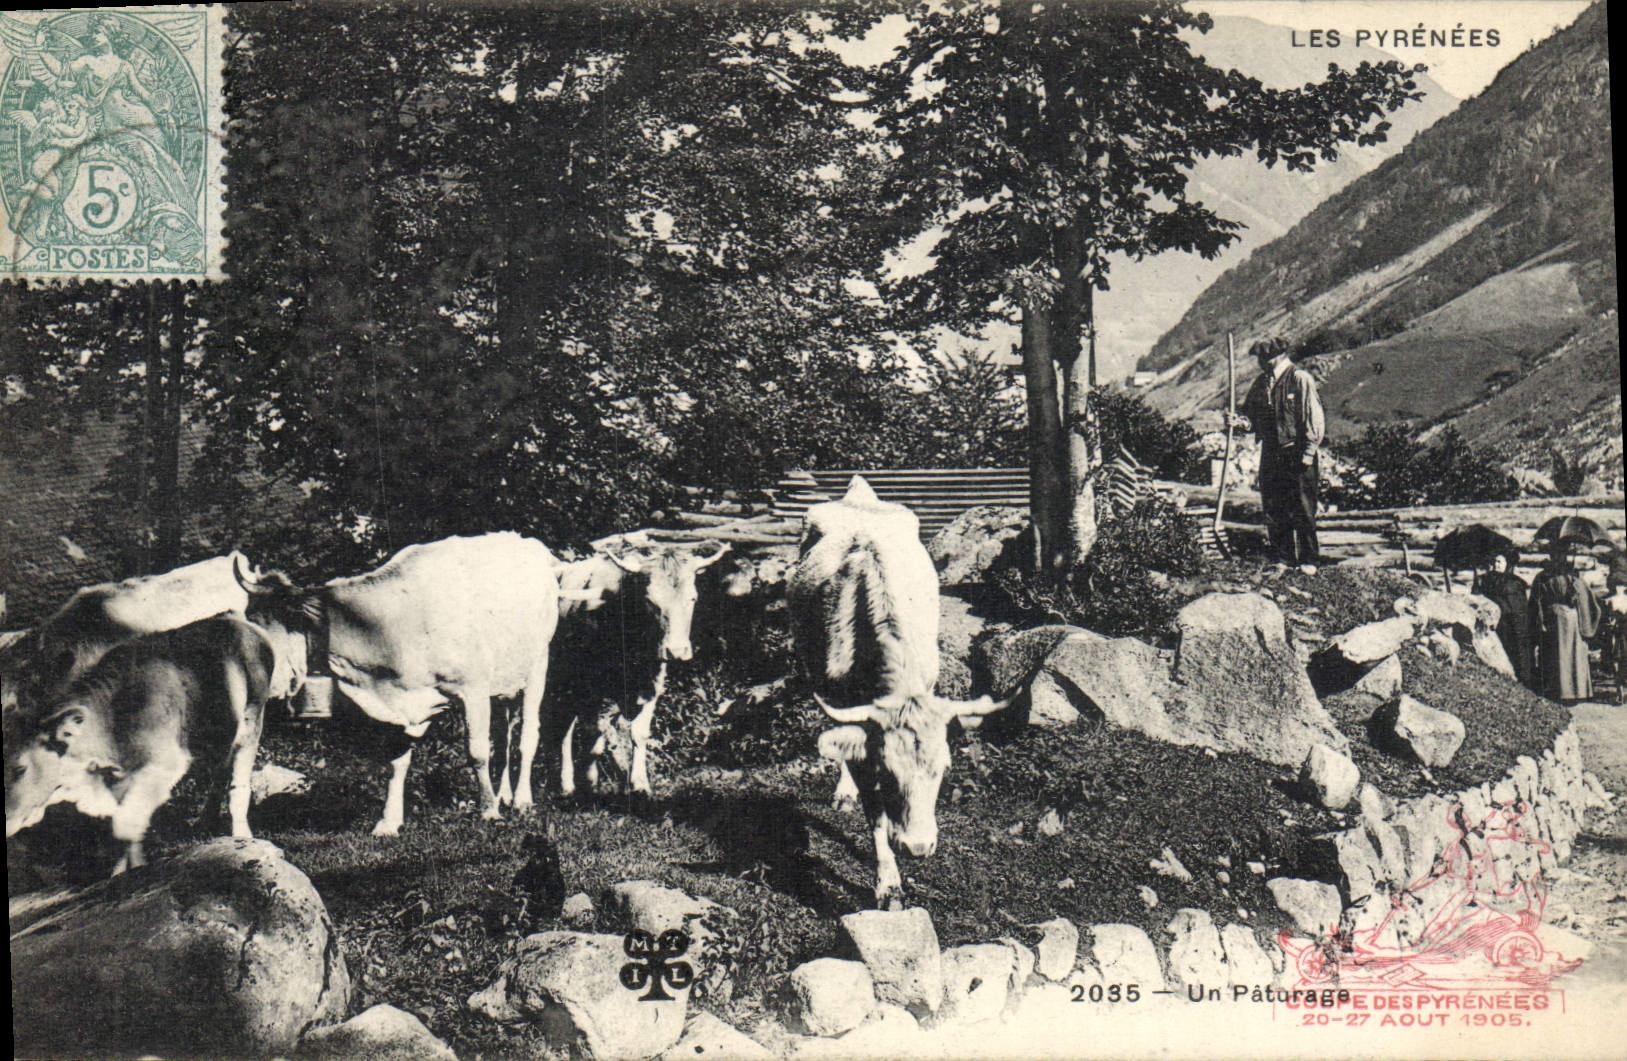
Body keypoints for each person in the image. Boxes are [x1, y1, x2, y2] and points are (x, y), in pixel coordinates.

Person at [1236, 338, 1325, 570]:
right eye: (1260, 358)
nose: (1261, 363)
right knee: (1275, 507)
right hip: (1271, 453)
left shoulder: (1299, 379)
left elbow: (1313, 418)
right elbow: (1250, 418)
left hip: (1297, 452)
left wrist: (1309, 452)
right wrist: (1239, 423)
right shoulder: (1261, 383)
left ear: (1278, 356)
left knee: (1303, 508)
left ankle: (1309, 560)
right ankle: (1283, 558)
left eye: (1265, 358)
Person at [1529, 542, 1602, 703]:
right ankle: (1574, 691)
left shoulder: (1547, 577)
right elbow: (1588, 601)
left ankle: (1559, 691)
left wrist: (1540, 620)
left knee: (1559, 654)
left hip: (1555, 619)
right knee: (1568, 654)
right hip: (1567, 620)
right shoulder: (1571, 577)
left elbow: (1536, 601)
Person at [1475, 549, 1533, 687]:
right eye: (1495, 561)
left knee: (1517, 650)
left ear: (1507, 564)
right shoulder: (1486, 579)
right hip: (1497, 622)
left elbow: (1520, 606)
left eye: (1500, 562)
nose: (1497, 564)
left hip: (1514, 622)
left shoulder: (1515, 582)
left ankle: (1522, 680)